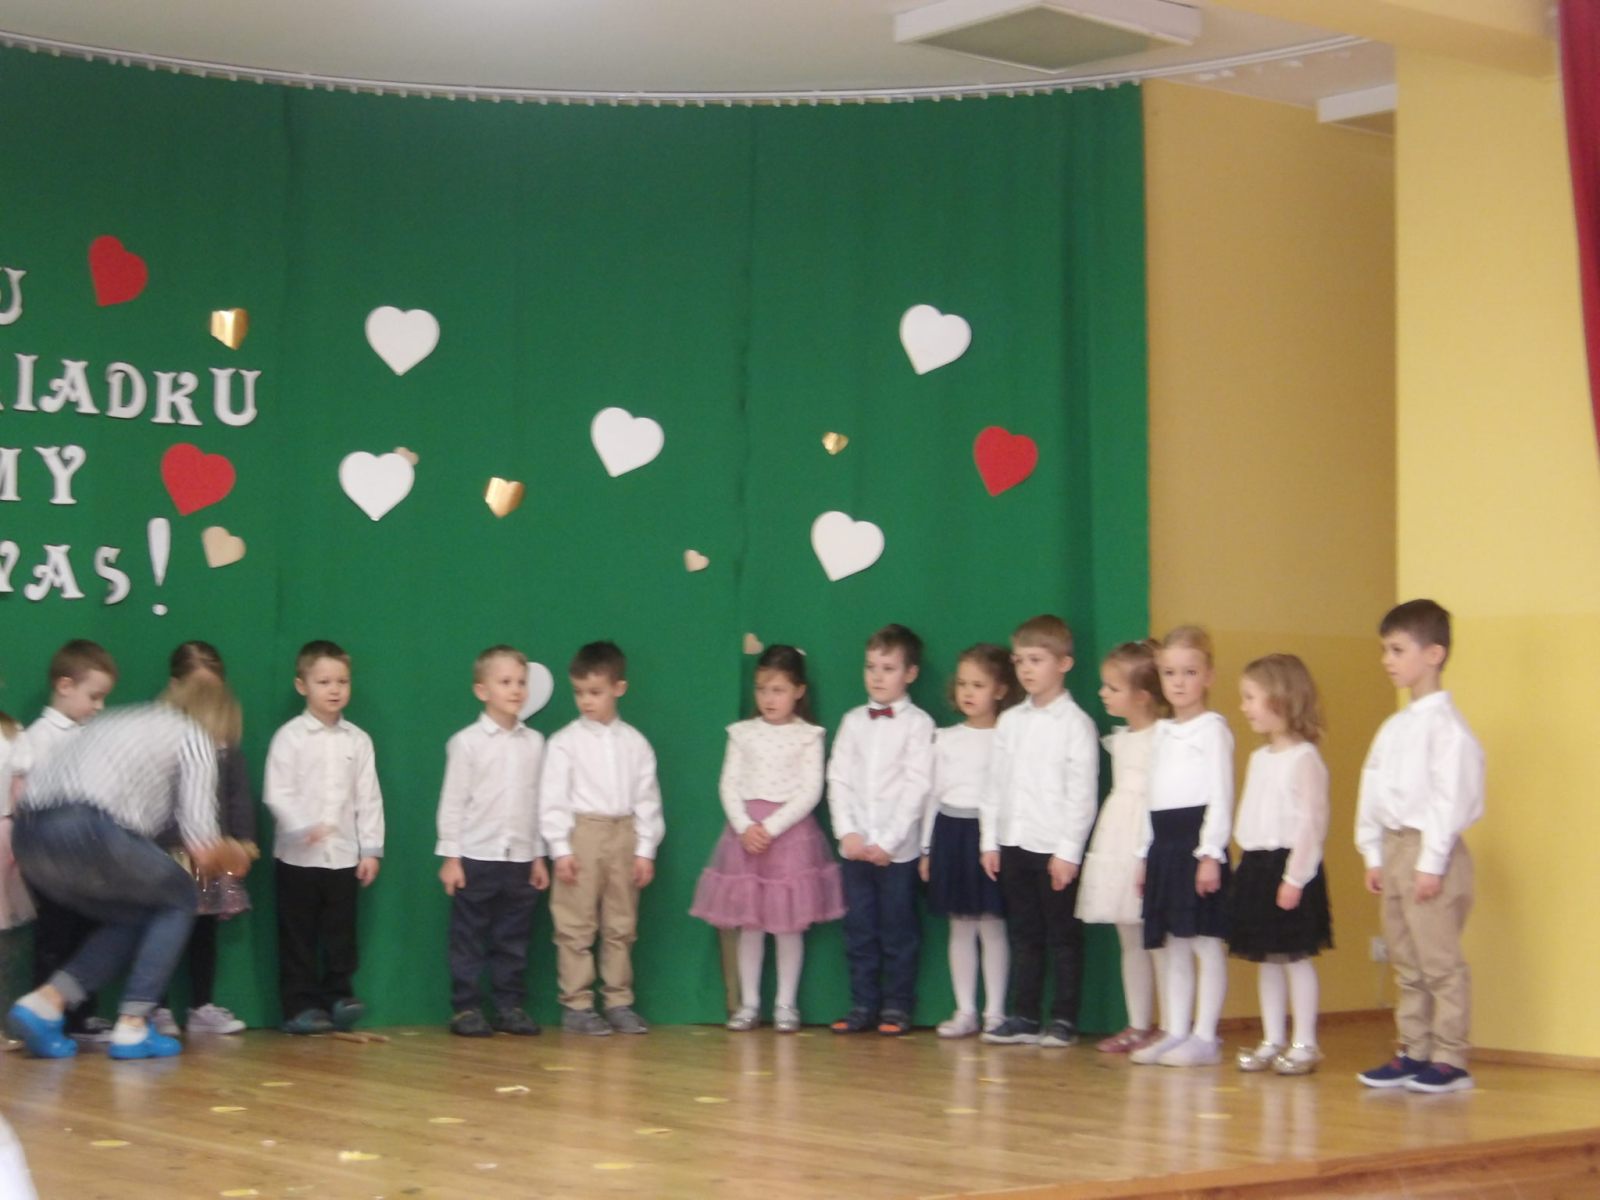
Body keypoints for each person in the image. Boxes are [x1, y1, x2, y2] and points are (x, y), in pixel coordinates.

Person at [6, 674, 248, 1060]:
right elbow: (202, 846)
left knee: (136, 914)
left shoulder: (122, 720)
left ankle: (47, 1002)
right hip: (88, 827)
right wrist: (236, 853)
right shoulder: (194, 736)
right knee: (180, 896)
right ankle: (134, 1023)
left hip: (30, 835)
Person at [1355, 599, 1484, 1094]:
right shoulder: (1396, 726)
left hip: (1433, 852)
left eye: (1397, 650)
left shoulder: (1448, 729)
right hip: (1395, 849)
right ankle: (1414, 1048)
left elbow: (1449, 801)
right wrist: (1373, 853)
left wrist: (1431, 862)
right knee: (1406, 959)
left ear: (1433, 654)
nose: (1387, 660)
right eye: (1385, 650)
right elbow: (1372, 790)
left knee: (1439, 961)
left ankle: (1450, 1056)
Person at [691, 645, 844, 1032]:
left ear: (798, 691)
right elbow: (728, 784)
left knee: (788, 925)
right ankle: (750, 1003)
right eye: (762, 689)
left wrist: (771, 828)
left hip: (790, 837)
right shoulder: (743, 733)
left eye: (778, 690)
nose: (768, 698)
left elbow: (810, 790)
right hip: (746, 838)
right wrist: (745, 826)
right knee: (751, 924)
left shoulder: (808, 736)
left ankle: (786, 1004)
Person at [979, 615, 1099, 1048]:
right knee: (1024, 933)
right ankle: (1025, 1015)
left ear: (1063, 663)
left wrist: (1068, 852)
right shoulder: (1011, 721)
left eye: (1036, 660)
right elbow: (994, 785)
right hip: (1014, 842)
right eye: (1019, 661)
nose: (1026, 669)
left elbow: (1082, 795)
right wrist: (990, 841)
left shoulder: (1076, 725)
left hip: (1053, 848)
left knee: (1063, 936)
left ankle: (1064, 1018)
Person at [540, 641, 664, 1036]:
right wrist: (560, 849)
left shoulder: (636, 743)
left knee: (621, 922)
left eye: (595, 692)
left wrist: (645, 850)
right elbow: (553, 799)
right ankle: (577, 1004)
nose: (586, 701)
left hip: (624, 832)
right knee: (575, 922)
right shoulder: (564, 742)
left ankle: (618, 1001)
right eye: (579, 692)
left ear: (619, 688)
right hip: (583, 833)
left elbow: (647, 799)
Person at [265, 640, 385, 1035]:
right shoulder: (290, 737)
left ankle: (338, 997)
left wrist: (370, 849)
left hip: (343, 856)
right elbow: (277, 792)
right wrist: (303, 826)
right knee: (298, 935)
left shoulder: (358, 740)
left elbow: (368, 797)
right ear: (302, 685)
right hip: (297, 858)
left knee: (340, 933)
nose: (334, 690)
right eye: (324, 682)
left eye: (342, 681)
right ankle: (299, 1006)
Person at [1131, 626, 1234, 1068]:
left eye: (1189, 672)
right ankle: (1175, 1029)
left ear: (1208, 676)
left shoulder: (1214, 730)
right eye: (1170, 673)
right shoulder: (1162, 733)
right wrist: (1143, 853)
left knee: (1204, 944)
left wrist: (1210, 852)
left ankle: (1205, 1035)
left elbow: (1222, 795)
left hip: (1196, 841)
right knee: (1173, 943)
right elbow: (1150, 796)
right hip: (1165, 842)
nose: (1178, 682)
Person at [827, 624, 934, 1037]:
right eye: (871, 666)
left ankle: (897, 1006)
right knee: (858, 930)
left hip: (897, 852)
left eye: (888, 668)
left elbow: (917, 786)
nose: (877, 676)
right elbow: (838, 778)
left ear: (910, 673)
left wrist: (888, 841)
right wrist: (847, 833)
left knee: (898, 931)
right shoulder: (853, 721)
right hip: (856, 849)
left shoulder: (918, 724)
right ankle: (862, 1004)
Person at [436, 646, 549, 1038]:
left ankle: (508, 1006)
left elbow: (539, 802)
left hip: (520, 857)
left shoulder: (535, 743)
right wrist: (451, 857)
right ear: (482, 691)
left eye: (521, 682)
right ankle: (466, 1008)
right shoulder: (466, 742)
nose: (515, 690)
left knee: (513, 939)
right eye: (505, 682)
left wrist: (538, 856)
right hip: (475, 855)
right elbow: (453, 801)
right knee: (468, 937)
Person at [1229, 654, 1333, 1076]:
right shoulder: (1259, 758)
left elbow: (1312, 823)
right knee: (1267, 959)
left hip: (1290, 867)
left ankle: (1305, 1041)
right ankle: (1272, 1038)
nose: (1244, 707)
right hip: (1258, 865)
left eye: (1250, 697)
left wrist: (1295, 877)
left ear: (1281, 698)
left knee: (1294, 957)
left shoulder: (1305, 759)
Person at [152, 641, 256, 1038]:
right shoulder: (160, 737)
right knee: (163, 929)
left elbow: (237, 795)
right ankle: (156, 1007)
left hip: (210, 855)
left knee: (203, 932)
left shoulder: (224, 742)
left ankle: (201, 1005)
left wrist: (242, 840)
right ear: (175, 686)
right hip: (167, 853)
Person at [920, 644, 1018, 1038]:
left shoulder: (1007, 737)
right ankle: (965, 1010)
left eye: (978, 685)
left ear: (1000, 690)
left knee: (992, 926)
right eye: (962, 684)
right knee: (960, 926)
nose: (968, 692)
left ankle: (995, 1011)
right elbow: (932, 795)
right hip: (950, 833)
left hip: (988, 836)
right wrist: (927, 849)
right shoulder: (945, 738)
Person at [1076, 640, 1166, 1054]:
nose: (1103, 693)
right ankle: (1138, 1023)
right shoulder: (1124, 737)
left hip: (1145, 836)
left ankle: (1171, 1024)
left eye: (1113, 688)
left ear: (1142, 695)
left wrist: (1147, 851)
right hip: (1117, 834)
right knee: (1129, 936)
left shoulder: (1163, 738)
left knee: (1157, 939)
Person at [27, 639, 117, 1041]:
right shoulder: (39, 739)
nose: (99, 706)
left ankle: (81, 1015)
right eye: (93, 696)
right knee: (56, 939)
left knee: (88, 936)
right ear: (65, 686)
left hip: (88, 859)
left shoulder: (90, 737)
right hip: (53, 861)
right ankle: (50, 1019)